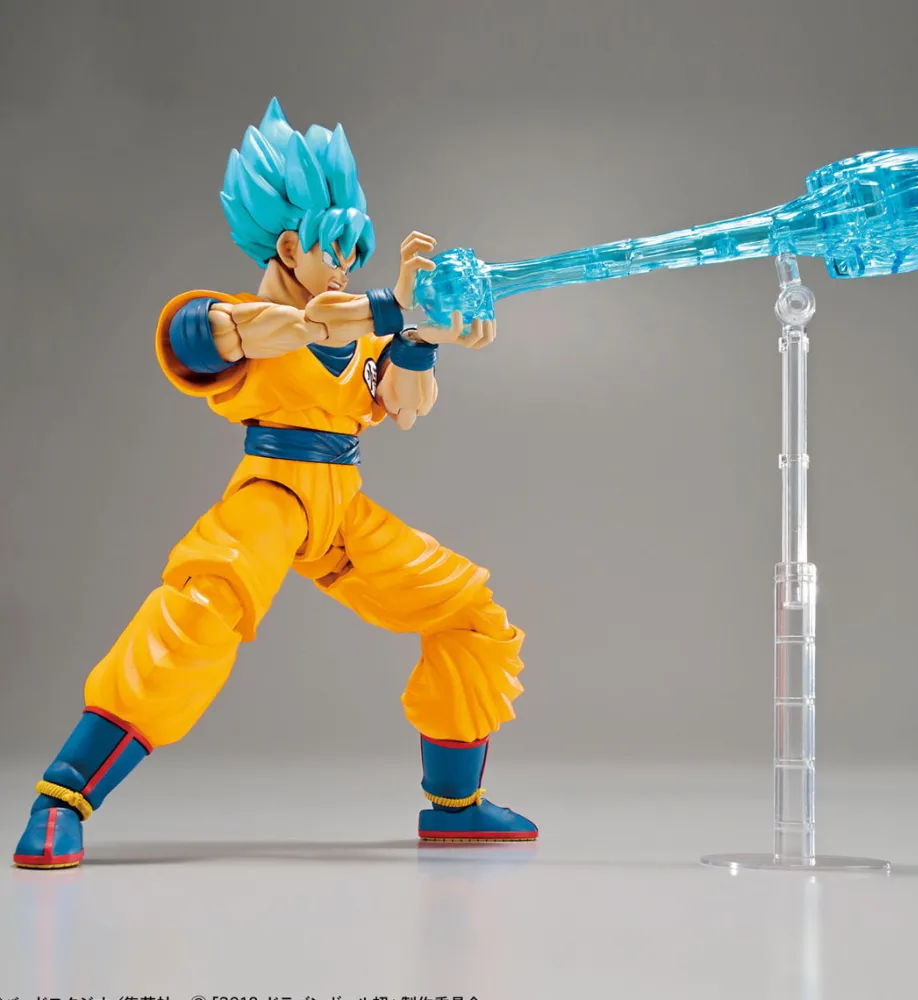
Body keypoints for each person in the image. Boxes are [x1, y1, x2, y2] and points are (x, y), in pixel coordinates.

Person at [13, 97, 536, 870]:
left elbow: (405, 405)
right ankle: (62, 799)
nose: (347, 264)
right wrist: (392, 309)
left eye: (356, 249)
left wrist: (422, 338)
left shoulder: (360, 330)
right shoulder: (229, 318)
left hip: (342, 506)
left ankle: (455, 805)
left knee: (467, 609)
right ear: (289, 245)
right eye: (335, 248)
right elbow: (287, 328)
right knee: (198, 616)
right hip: (271, 495)